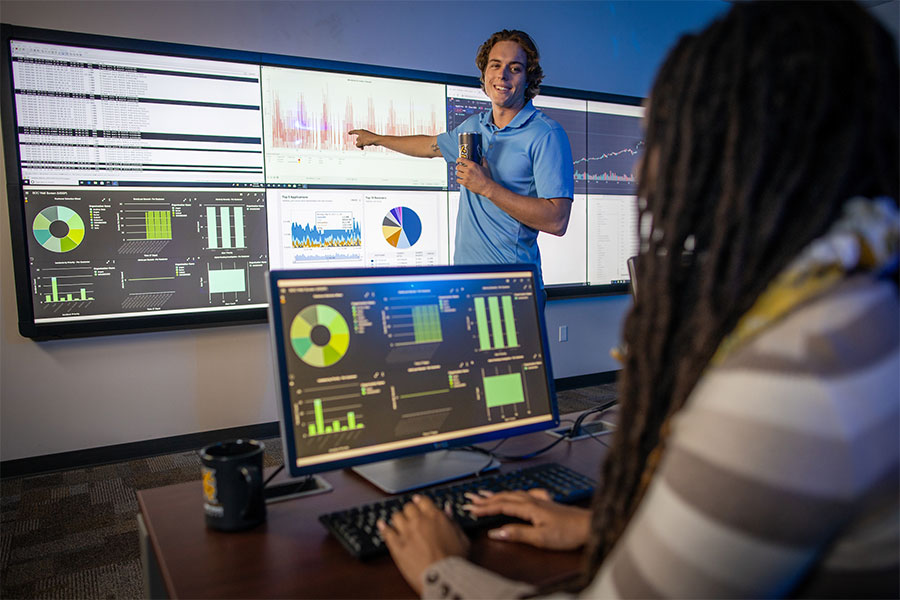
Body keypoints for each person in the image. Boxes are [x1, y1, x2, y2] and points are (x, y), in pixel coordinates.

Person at [374, 2, 900, 598]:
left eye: (671, 135)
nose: (647, 164)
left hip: (510, 288)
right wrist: (604, 524)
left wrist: (442, 570)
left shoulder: (790, 380)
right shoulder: (859, 307)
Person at [349, 30, 574, 287]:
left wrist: (487, 187)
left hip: (513, 287)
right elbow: (430, 146)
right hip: (466, 282)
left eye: (515, 68)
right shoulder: (475, 126)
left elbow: (557, 221)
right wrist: (376, 139)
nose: (502, 75)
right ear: (485, 73)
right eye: (495, 65)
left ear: (528, 78)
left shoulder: (546, 134)